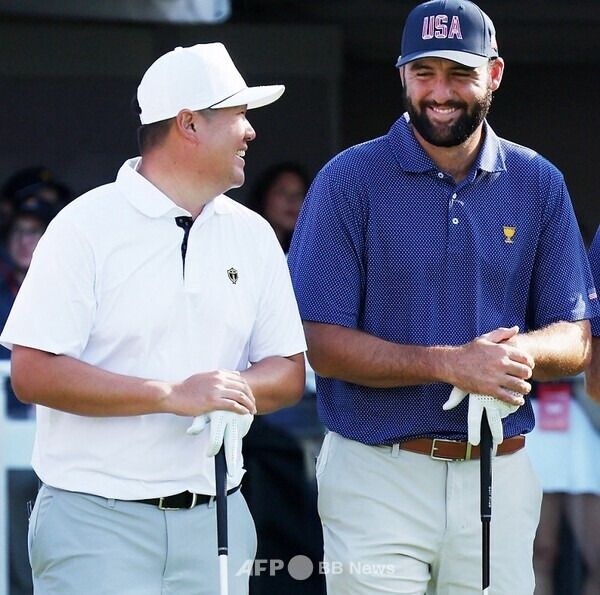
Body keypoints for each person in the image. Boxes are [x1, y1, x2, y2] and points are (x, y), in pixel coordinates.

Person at [287, 0, 597, 593]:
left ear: (494, 74)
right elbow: (317, 342)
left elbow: (576, 335)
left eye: (459, 73)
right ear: (401, 74)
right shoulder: (349, 179)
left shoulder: (539, 182)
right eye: (424, 73)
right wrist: (451, 365)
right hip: (377, 470)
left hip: (498, 472)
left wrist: (509, 359)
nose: (440, 91)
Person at [0, 42, 306, 594]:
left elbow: (287, 368)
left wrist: (229, 389)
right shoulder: (82, 226)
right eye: (239, 114)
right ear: (189, 124)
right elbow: (32, 372)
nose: (250, 131)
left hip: (219, 517)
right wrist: (171, 393)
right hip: (93, 522)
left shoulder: (253, 234)